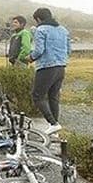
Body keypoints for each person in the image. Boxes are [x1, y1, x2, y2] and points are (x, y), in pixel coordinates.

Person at [26, 7, 71, 135]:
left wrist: (30, 57)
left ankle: (53, 123)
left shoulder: (41, 29)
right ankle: (54, 130)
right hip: (61, 67)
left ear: (38, 19)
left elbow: (39, 50)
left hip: (46, 67)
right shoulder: (63, 30)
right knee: (53, 97)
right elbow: (69, 50)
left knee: (37, 96)